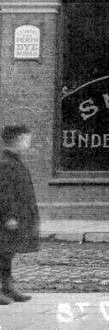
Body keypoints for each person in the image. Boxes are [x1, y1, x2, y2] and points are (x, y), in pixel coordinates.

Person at [0, 124, 39, 303]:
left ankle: (8, 288)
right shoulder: (6, 162)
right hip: (6, 218)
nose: (28, 141)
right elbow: (4, 193)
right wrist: (8, 216)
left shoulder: (13, 160)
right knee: (2, 252)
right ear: (19, 139)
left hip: (15, 216)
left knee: (7, 252)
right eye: (26, 138)